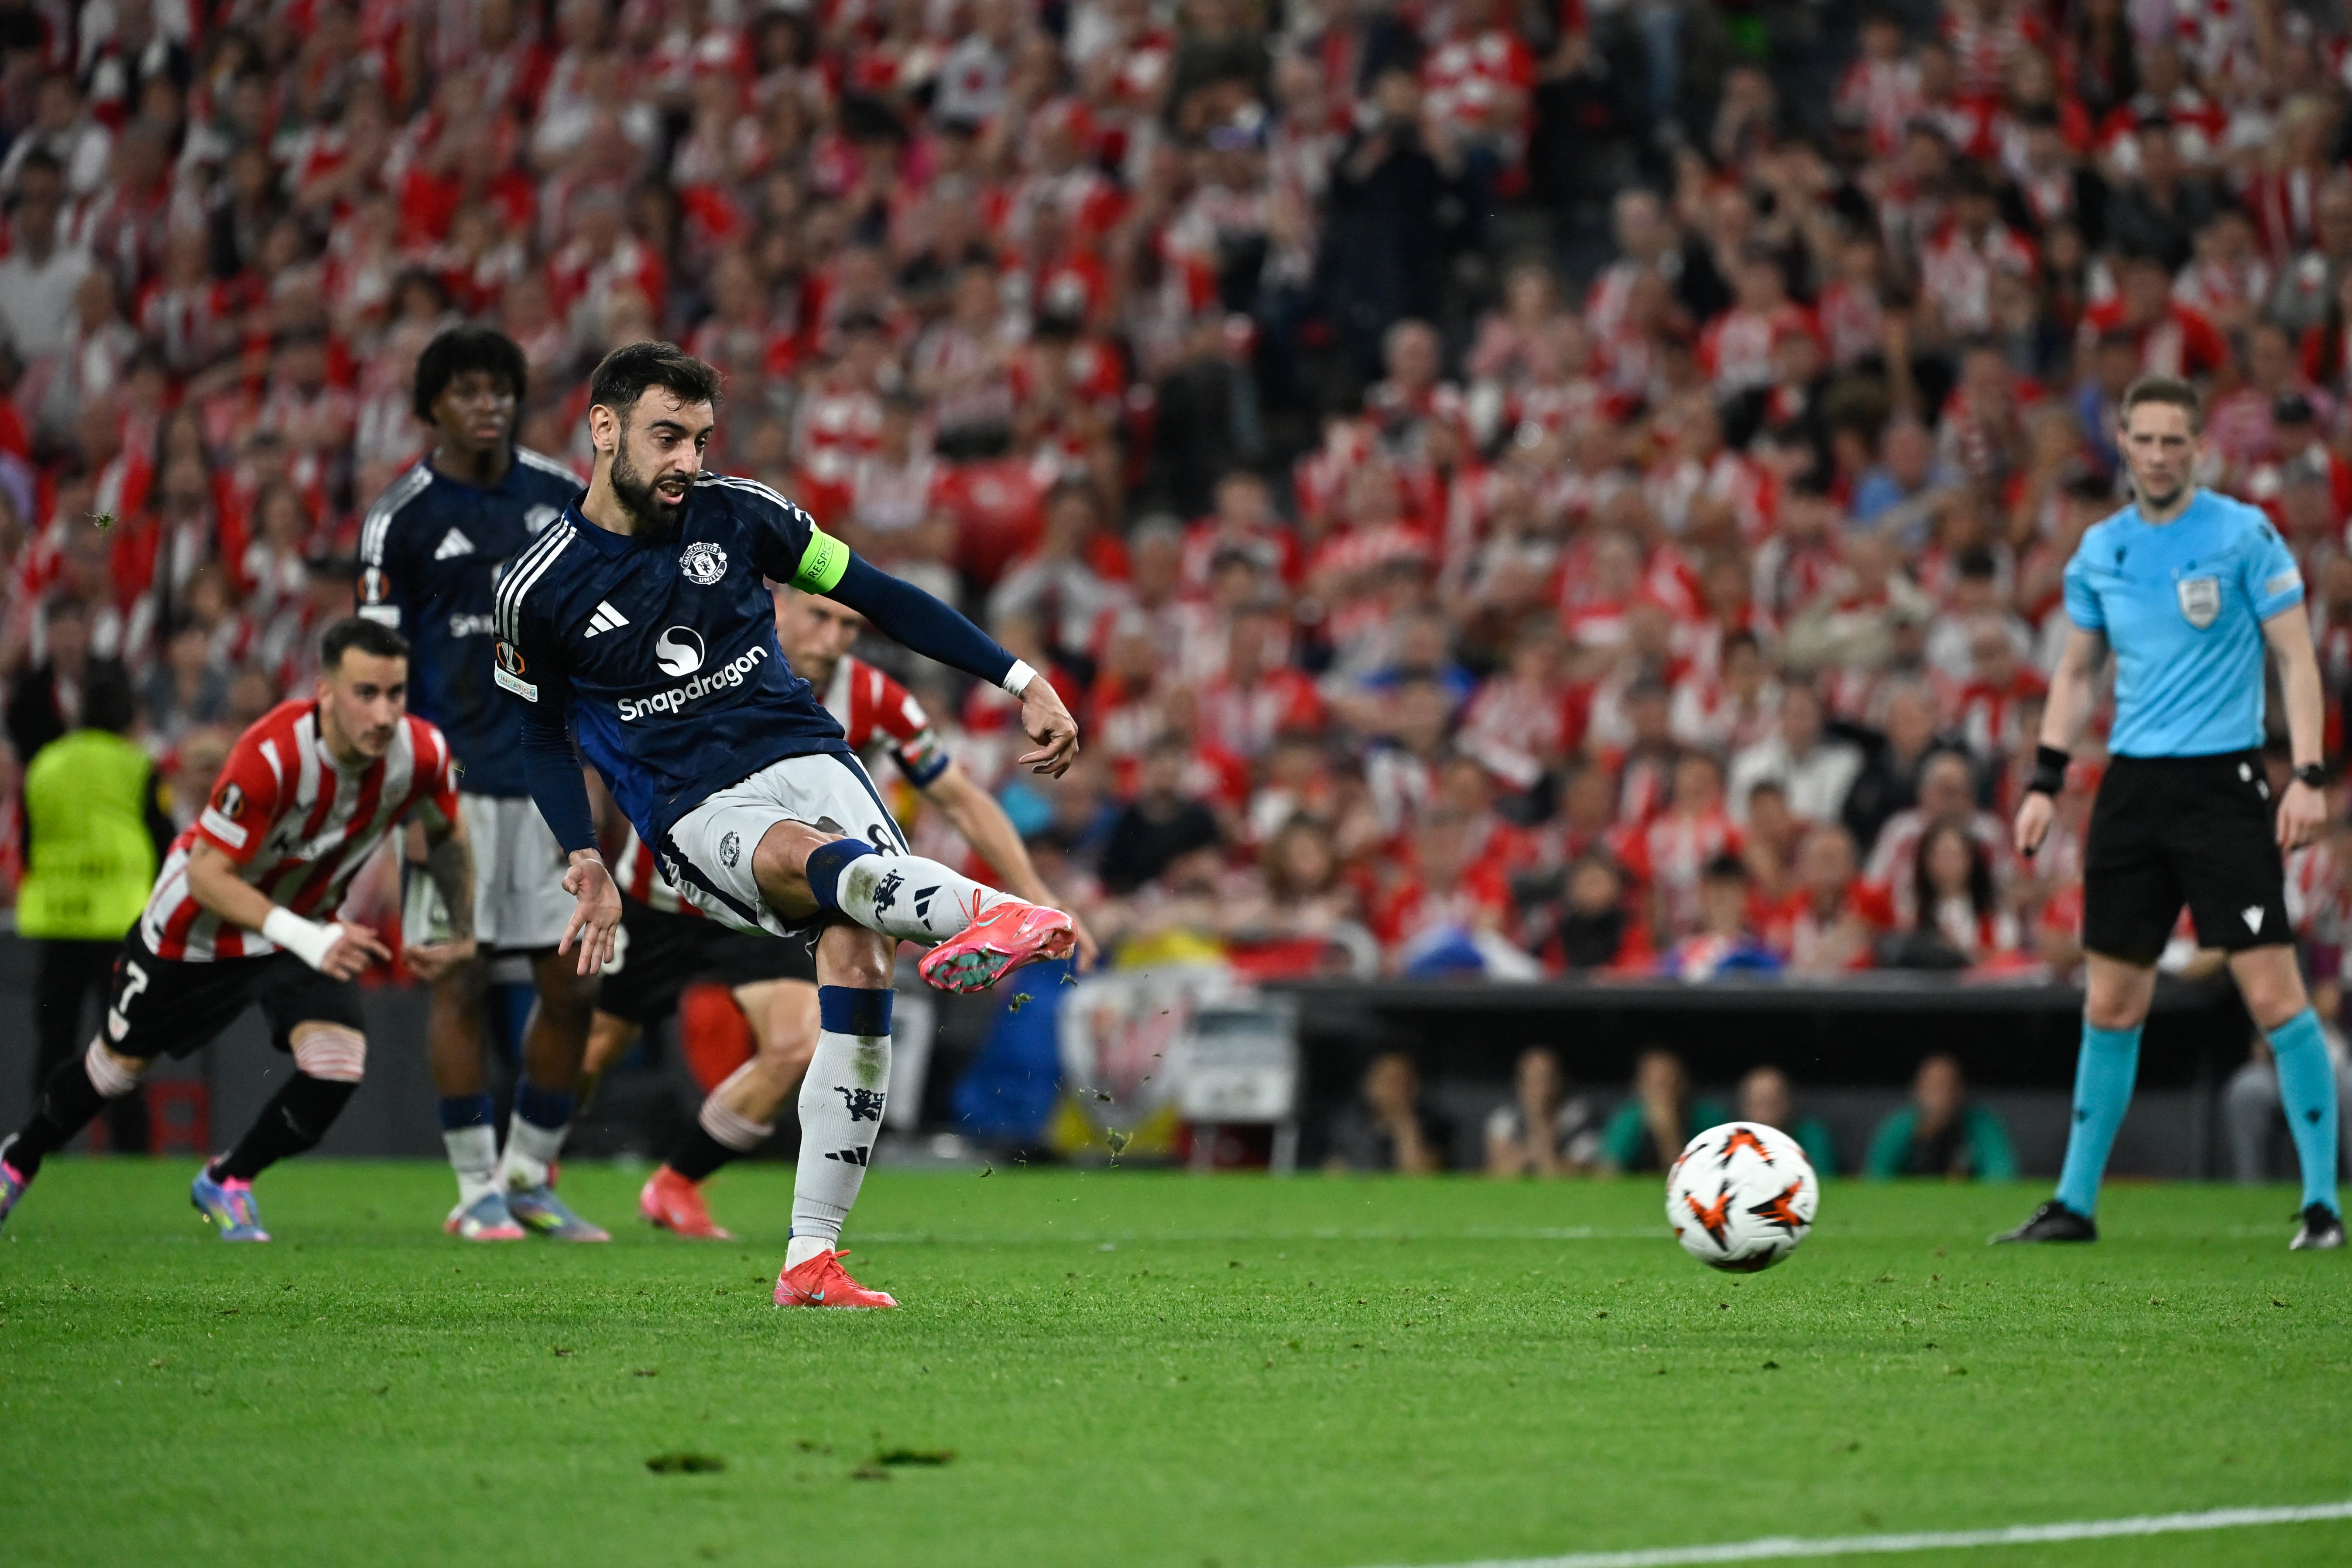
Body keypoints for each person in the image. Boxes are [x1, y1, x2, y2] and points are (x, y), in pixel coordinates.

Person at [499, 342, 1081, 1310]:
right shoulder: (539, 587)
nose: (687, 459)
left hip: (809, 755)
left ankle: (811, 1257)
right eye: (666, 436)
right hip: (694, 804)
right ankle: (985, 912)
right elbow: (536, 732)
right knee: (805, 861)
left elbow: (878, 594)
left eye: (699, 439)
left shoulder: (744, 513)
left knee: (861, 966)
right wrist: (585, 855)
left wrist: (1023, 680)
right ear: (603, 428)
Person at [620, 586, 1097, 1239]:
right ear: (774, 605)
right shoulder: (708, 660)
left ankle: (681, 1184)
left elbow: (958, 798)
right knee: (591, 1044)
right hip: (665, 890)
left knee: (797, 1042)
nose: (834, 637)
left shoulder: (872, 697)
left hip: (783, 889)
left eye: (849, 624)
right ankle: (519, 1173)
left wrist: (1038, 888)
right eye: (819, 616)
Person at [2003, 376, 2343, 1250]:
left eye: (2173, 440)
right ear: (2122, 442)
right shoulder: (2101, 548)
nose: (2158, 454)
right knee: (2112, 1000)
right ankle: (2075, 1203)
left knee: (2272, 991)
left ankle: (2321, 1204)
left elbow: (2296, 658)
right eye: (2145, 439)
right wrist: (2044, 779)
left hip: (2224, 788)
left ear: (2198, 448)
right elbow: (2078, 671)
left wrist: (2308, 773)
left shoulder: (2242, 534)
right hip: (2132, 791)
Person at [0, 621, 477, 1239]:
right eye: (366, 693)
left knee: (337, 1065)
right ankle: (17, 1160)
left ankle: (229, 1179)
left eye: (395, 694)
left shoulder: (422, 753)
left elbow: (446, 831)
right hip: (198, 928)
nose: (384, 714)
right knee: (115, 1070)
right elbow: (207, 874)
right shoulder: (274, 754)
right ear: (325, 692)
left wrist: (456, 926)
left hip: (302, 926)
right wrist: (310, 938)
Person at [356, 326, 605, 1242]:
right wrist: (401, 788)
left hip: (548, 779)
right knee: (455, 977)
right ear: (432, 407)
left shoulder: (561, 495)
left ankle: (529, 1176)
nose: (488, 404)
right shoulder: (401, 518)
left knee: (573, 985)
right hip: (446, 787)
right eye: (466, 390)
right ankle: (474, 1189)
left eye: (499, 387)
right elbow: (377, 663)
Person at [16, 666, 175, 1157]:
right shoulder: (137, 765)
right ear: (128, 717)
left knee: (54, 1042)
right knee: (123, 1042)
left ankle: (43, 1147)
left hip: (58, 917)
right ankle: (132, 1148)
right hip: (117, 922)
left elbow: (28, 840)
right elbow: (165, 840)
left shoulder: (46, 763)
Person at [1866, 1054, 2016, 1181]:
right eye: (1934, 1087)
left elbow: (2003, 1175)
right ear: (1918, 1089)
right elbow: (1877, 1176)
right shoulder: (1900, 1126)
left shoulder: (1981, 1124)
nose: (1942, 1096)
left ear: (1961, 1090)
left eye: (1949, 1086)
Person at [1598, 1049, 1726, 1174]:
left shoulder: (1708, 1118)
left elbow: (1718, 1172)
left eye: (1675, 1081)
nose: (1668, 1091)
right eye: (1660, 1083)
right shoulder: (1630, 1120)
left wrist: (1669, 1135)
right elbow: (1608, 1172)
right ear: (1641, 1086)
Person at [1325, 1051, 1451, 1174]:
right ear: (1370, 1086)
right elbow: (1332, 1174)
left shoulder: (1435, 1128)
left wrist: (1406, 1128)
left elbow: (1419, 1178)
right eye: (1390, 1081)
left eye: (1406, 1082)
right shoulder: (1348, 1129)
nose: (1399, 1089)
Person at [1485, 1046, 1599, 1176]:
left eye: (1547, 1079)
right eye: (1533, 1080)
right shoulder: (1504, 1118)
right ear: (1520, 1084)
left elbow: (1566, 1176)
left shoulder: (1581, 1120)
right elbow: (1499, 1173)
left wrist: (1545, 1135)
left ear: (1559, 1082)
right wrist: (1531, 1147)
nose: (1541, 1089)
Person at [1735, 1065, 1838, 1175]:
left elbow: (1824, 1179)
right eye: (1758, 1104)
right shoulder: (1730, 1141)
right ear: (1744, 1107)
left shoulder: (1810, 1135)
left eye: (1772, 1102)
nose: (1764, 1113)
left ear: (1787, 1103)